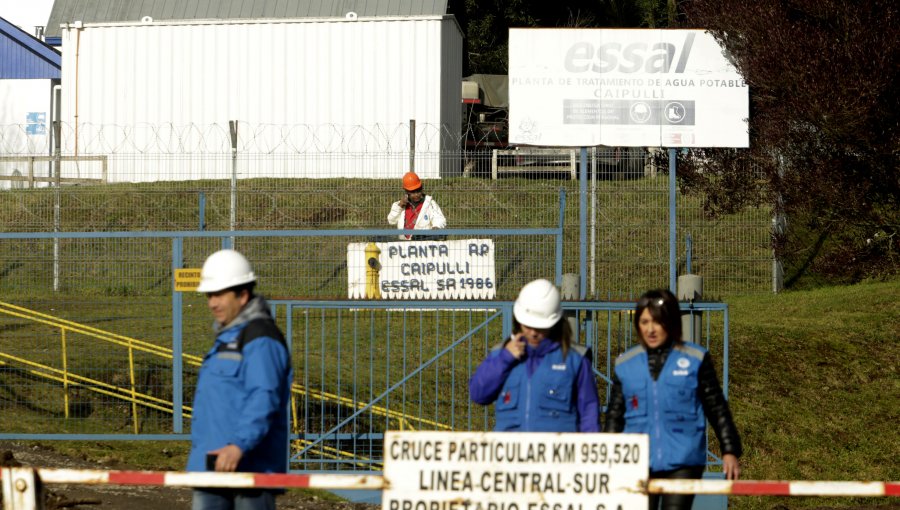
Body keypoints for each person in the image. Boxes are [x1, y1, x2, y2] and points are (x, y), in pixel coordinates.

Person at [603, 289, 742, 510]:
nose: (650, 329)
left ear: (671, 322)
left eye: (657, 321)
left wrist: (729, 449)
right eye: (644, 321)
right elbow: (614, 416)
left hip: (684, 458)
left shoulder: (695, 359)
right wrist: (607, 455)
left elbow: (716, 406)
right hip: (636, 460)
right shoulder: (625, 364)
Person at [188, 249, 293, 510]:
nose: (212, 303)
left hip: (250, 472)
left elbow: (264, 396)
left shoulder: (261, 339)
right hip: (211, 468)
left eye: (219, 295)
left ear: (243, 295)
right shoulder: (226, 340)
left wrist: (238, 446)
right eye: (209, 295)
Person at [469, 279, 599, 432]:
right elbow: (479, 394)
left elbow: (589, 413)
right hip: (510, 453)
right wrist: (505, 359)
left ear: (555, 323)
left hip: (557, 453)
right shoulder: (500, 354)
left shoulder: (575, 359)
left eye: (540, 327)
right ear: (518, 320)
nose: (533, 333)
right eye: (528, 325)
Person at [387, 171, 446, 240]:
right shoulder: (399, 206)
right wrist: (400, 206)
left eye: (418, 191)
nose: (416, 194)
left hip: (423, 244)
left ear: (422, 188)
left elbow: (439, 219)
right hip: (404, 244)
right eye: (413, 192)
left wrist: (436, 227)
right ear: (406, 191)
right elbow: (391, 221)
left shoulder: (430, 204)